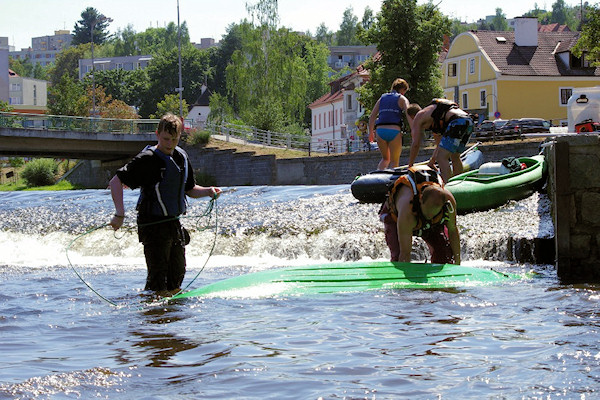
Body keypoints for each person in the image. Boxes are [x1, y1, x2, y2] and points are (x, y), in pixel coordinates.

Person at [109, 113, 222, 295]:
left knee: (177, 275)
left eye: (174, 139)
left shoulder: (181, 157)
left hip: (173, 224)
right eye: (166, 139)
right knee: (158, 278)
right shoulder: (147, 159)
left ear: (179, 137)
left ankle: (170, 316)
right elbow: (115, 181)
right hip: (152, 225)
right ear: (157, 134)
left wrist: (208, 191)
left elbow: (190, 189)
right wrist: (119, 214)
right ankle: (153, 314)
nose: (169, 144)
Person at [379, 165, 460, 264]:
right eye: (428, 211)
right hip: (395, 217)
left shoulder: (448, 202)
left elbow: (452, 230)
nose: (430, 215)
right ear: (421, 199)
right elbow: (405, 254)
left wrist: (458, 262)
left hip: (430, 223)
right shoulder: (407, 210)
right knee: (398, 256)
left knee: (444, 256)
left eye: (434, 213)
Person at [408, 98, 474, 183]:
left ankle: (447, 186)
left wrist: (410, 165)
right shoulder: (435, 116)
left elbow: (415, 144)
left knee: (442, 157)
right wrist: (432, 161)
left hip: (457, 121)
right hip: (468, 121)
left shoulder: (419, 116)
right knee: (455, 156)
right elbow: (439, 144)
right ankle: (458, 183)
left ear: (412, 116)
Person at [368, 78, 412, 170]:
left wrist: (371, 133)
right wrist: (414, 130)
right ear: (402, 89)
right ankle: (392, 182)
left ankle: (377, 179)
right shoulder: (402, 99)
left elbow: (372, 116)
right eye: (405, 91)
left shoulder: (382, 98)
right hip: (394, 131)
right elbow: (409, 114)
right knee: (394, 161)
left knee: (385, 159)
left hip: (380, 131)